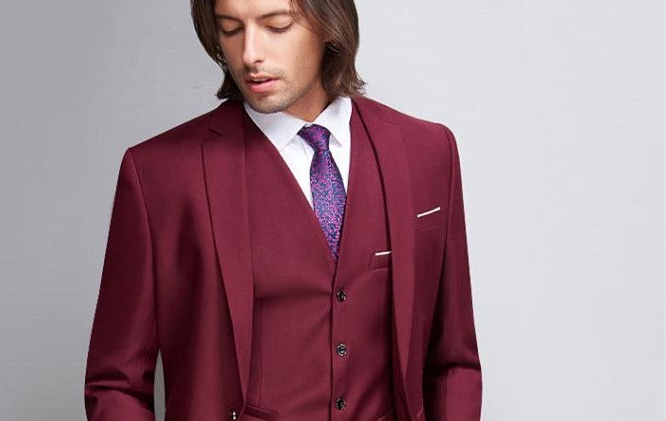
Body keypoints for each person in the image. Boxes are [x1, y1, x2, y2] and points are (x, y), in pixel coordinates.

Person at [84, 0, 482, 419]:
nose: (249, 54)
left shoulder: (427, 152)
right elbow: (116, 384)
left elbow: (453, 361)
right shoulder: (159, 175)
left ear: (330, 24)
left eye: (276, 26)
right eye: (231, 29)